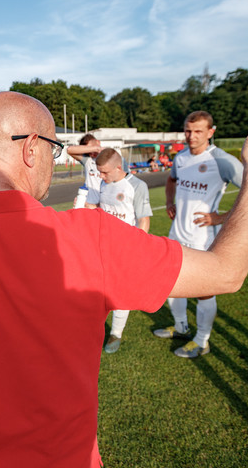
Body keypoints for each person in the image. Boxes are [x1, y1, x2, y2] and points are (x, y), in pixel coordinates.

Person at [0, 91, 248, 468]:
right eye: (56, 150)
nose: (57, 161)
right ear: (31, 147)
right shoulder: (91, 236)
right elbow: (227, 272)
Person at [153, 111, 248, 358]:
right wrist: (169, 203)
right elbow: (171, 180)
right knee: (168, 282)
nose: (191, 136)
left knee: (204, 290)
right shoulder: (181, 157)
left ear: (210, 132)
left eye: (198, 131)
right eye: (188, 130)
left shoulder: (222, 160)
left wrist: (220, 217)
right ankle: (181, 326)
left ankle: (202, 340)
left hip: (203, 237)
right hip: (177, 232)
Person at [86, 148, 152, 353]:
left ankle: (116, 333)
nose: (101, 176)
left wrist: (137, 248)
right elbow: (91, 207)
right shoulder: (102, 183)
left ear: (118, 167)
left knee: (120, 292)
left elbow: (143, 220)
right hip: (101, 246)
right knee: (97, 290)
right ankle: (95, 328)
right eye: (99, 172)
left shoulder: (137, 186)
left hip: (125, 249)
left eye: (105, 172)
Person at [67, 134, 103, 202]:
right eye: (88, 151)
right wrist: (95, 148)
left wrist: (99, 149)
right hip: (90, 204)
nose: (92, 153)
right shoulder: (88, 160)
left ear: (98, 142)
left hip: (106, 205)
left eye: (92, 147)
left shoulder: (112, 158)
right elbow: (69, 150)